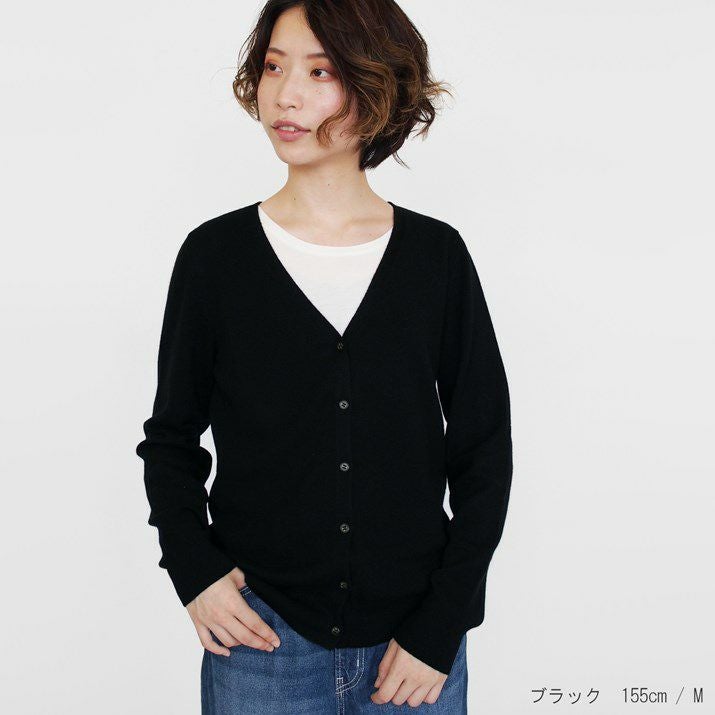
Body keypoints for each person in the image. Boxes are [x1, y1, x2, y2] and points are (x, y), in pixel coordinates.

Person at [136, 1, 513, 712]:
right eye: (273, 67)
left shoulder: (435, 258)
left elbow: (483, 450)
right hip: (261, 639)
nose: (285, 95)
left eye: (320, 72)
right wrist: (195, 572)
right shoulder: (216, 257)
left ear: (378, 86)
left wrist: (443, 624)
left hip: (414, 646)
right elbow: (171, 438)